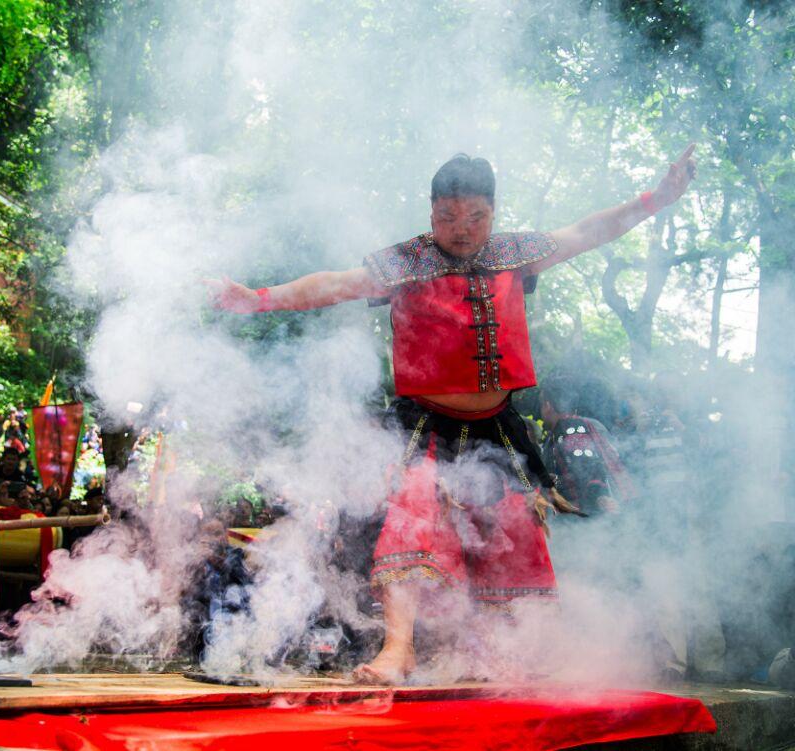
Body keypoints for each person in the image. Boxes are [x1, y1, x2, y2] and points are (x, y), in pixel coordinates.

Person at [206, 145, 697, 684]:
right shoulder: (406, 262)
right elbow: (332, 284)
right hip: (425, 423)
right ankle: (399, 649)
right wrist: (257, 298)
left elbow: (589, 231)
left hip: (500, 427)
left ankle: (502, 652)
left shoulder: (516, 252)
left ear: (493, 211)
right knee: (410, 518)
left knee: (515, 532)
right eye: (448, 217)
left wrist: (656, 199)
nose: (462, 229)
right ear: (432, 210)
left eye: (476, 217)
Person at [539, 376, 636, 516]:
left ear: (548, 406)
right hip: (581, 515)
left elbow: (588, 468)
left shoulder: (571, 426)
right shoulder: (563, 431)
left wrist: (599, 497)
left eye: (541, 405)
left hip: (588, 514)